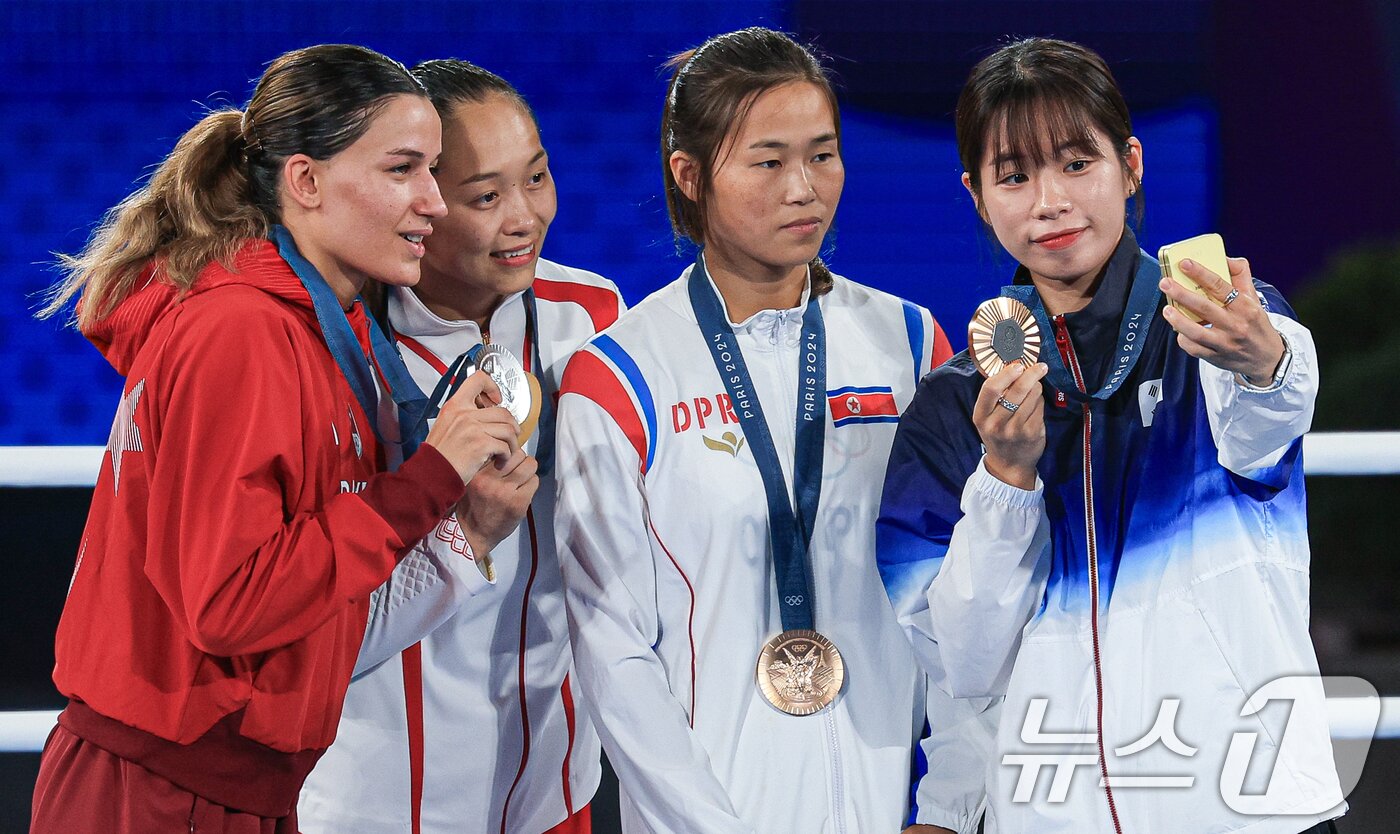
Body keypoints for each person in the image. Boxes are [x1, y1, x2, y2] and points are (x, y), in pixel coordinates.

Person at [31, 44, 521, 833]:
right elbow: (230, 603)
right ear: (306, 180)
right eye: (402, 169)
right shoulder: (241, 331)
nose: (434, 200)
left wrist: (459, 530)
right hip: (161, 794)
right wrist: (431, 477)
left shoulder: (324, 324)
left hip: (231, 790)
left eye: (433, 170)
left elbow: (310, 601)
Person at [877, 38, 1344, 833]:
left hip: (1248, 805)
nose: (1049, 201)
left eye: (1075, 163)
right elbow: (965, 662)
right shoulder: (953, 408)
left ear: (1130, 165)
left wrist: (1267, 361)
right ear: (976, 196)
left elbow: (1268, 421)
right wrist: (1005, 480)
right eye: (1014, 176)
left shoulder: (1214, 321)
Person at [553, 27, 978, 833]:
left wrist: (953, 804)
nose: (805, 189)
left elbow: (953, 598)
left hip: (895, 806)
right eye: (769, 161)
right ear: (690, 175)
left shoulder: (911, 343)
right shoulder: (620, 376)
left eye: (823, 155)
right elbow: (613, 652)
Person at [298, 58, 623, 834]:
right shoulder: (332, 353)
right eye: (486, 197)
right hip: (375, 802)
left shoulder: (594, 314)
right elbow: (314, 615)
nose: (525, 217)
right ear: (421, 205)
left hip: (555, 790)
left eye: (537, 177)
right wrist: (463, 531)